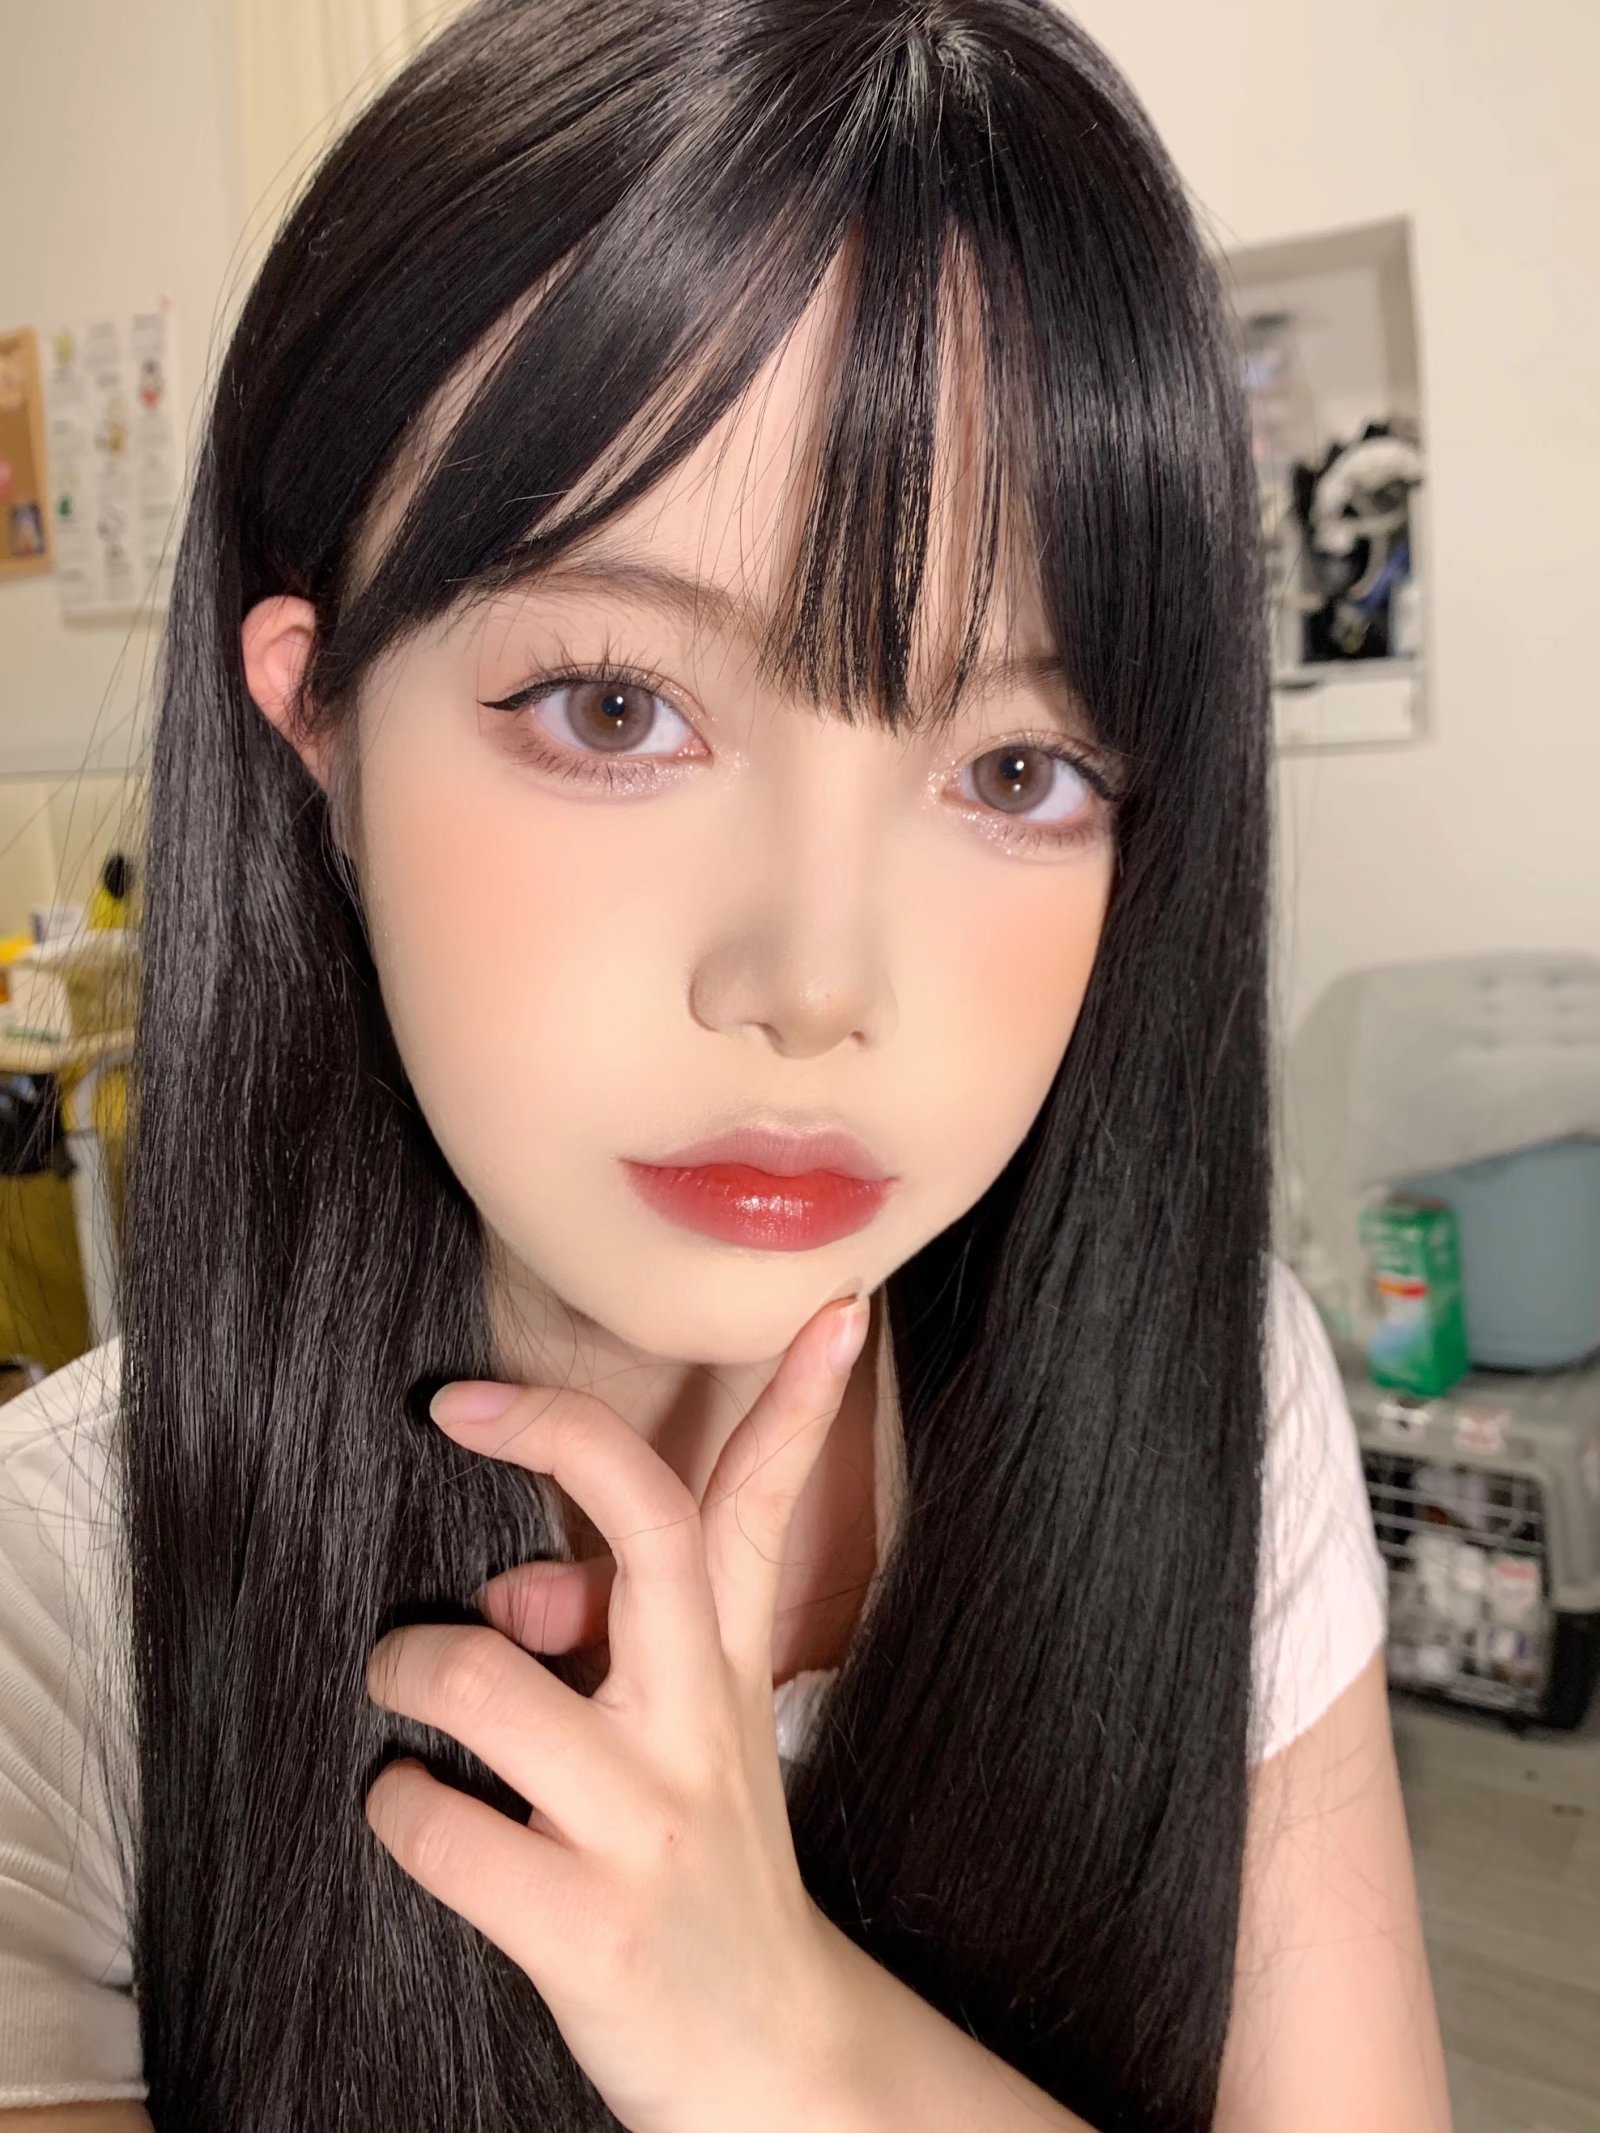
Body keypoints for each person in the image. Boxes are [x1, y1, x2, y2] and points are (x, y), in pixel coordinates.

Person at [0, 1, 1453, 2128]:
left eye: (1015, 766)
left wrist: (787, 2043)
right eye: (615, 708)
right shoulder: (55, 1611)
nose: (812, 983)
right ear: (315, 719)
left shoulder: (1210, 1396)